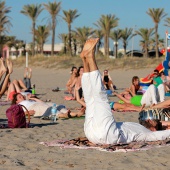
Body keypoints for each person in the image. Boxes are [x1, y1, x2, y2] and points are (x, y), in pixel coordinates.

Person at [80, 37, 170, 145]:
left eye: (154, 121)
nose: (151, 119)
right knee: (90, 101)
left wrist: (164, 126)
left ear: (155, 129)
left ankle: (91, 58)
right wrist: (161, 123)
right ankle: (85, 60)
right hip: (92, 133)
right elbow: (161, 123)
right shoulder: (141, 126)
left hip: (106, 134)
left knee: (100, 98)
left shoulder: (149, 135)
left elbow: (165, 132)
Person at [11, 92, 85, 118]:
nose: (22, 97)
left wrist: (34, 98)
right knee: (49, 109)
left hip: (40, 104)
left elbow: (41, 102)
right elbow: (15, 114)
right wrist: (26, 113)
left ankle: (75, 114)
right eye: (20, 97)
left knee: (57, 106)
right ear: (17, 101)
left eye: (22, 95)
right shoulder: (18, 105)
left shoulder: (28, 100)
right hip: (35, 108)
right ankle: (62, 115)